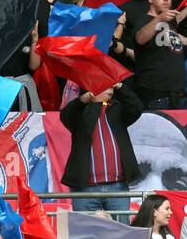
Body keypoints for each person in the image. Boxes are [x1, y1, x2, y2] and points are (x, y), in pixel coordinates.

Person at [59, 81, 145, 210]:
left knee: (121, 230)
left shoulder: (117, 109)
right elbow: (66, 115)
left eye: (111, 85)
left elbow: (137, 107)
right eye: (105, 84)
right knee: (85, 229)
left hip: (118, 187)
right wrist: (83, 100)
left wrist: (121, 88)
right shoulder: (81, 113)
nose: (110, 87)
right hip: (85, 188)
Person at [131, 0, 187, 109]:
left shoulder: (169, 23)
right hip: (156, 92)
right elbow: (140, 38)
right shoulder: (144, 20)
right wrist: (159, 19)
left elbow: (168, 36)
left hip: (177, 92)